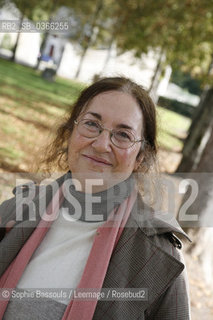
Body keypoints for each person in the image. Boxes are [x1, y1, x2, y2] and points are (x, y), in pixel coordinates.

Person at [0, 77, 191, 319]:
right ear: (70, 133)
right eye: (91, 124)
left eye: (122, 135)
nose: (101, 145)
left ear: (140, 156)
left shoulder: (158, 256)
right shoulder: (15, 212)